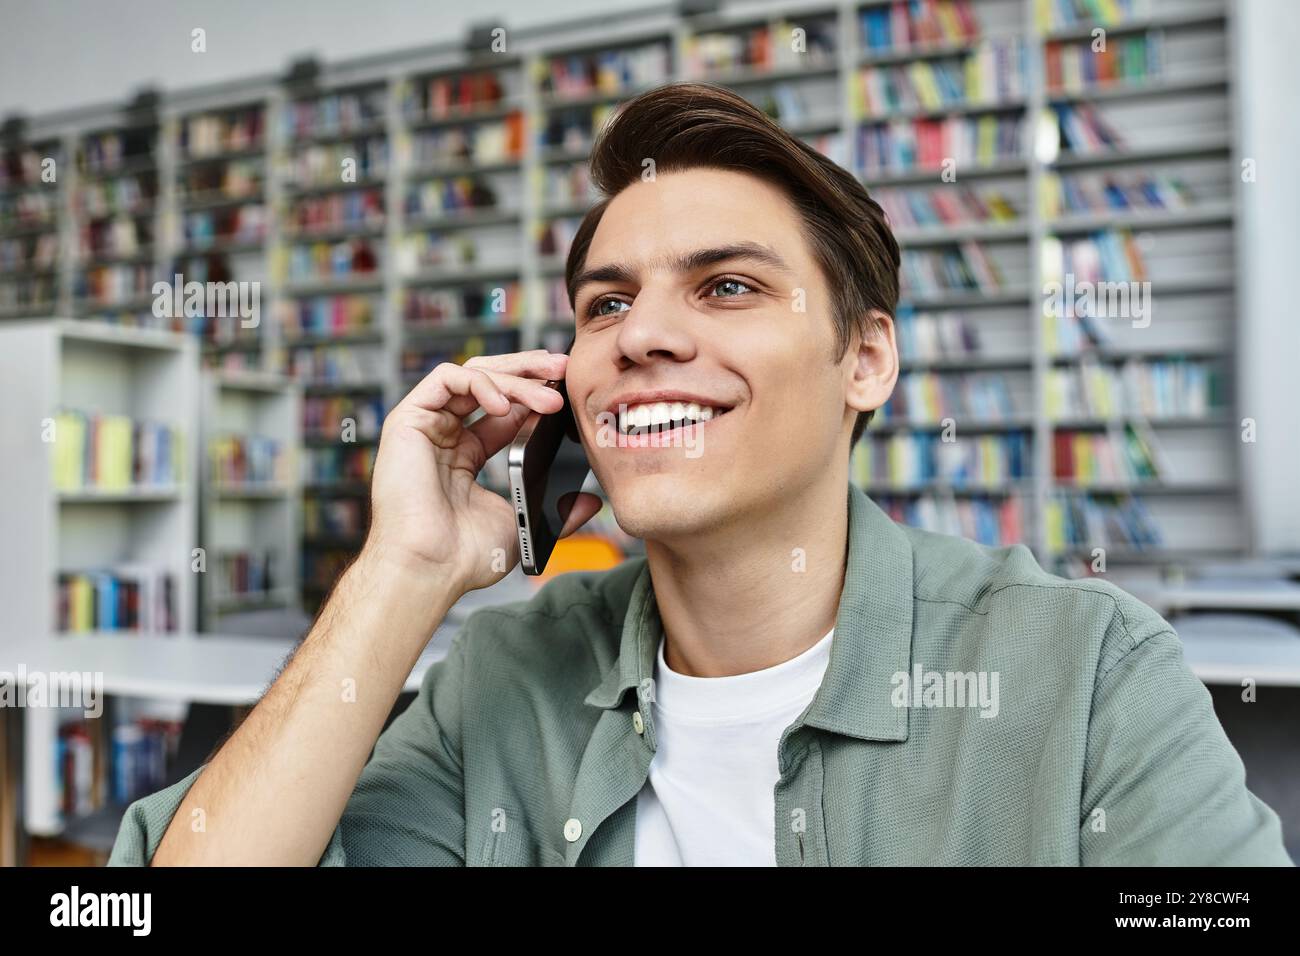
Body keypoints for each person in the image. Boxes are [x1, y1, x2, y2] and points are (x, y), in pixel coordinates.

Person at [109, 82, 1291, 866]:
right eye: (605, 303)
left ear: (864, 358)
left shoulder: (1084, 671)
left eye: (725, 286)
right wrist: (401, 571)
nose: (639, 336)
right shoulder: (507, 676)